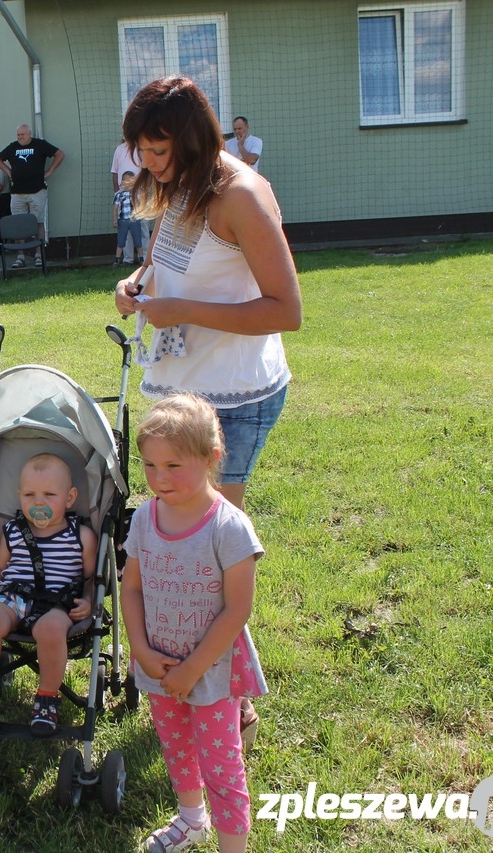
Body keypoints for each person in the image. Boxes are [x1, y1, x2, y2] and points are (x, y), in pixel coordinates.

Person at [113, 75, 300, 750]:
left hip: (234, 398)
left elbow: (288, 309)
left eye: (157, 151)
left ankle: (228, 691)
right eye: (140, 151)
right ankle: (195, 675)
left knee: (210, 552)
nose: (147, 165)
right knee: (177, 545)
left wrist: (182, 308)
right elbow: (169, 262)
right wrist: (138, 282)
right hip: (182, 387)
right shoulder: (182, 186)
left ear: (189, 138)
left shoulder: (241, 195)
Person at [120, 393, 267, 853]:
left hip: (212, 672)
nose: (159, 479)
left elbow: (237, 611)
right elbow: (132, 588)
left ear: (211, 458)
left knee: (222, 767)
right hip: (159, 665)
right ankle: (191, 820)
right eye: (149, 466)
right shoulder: (144, 519)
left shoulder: (229, 527)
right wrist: (141, 650)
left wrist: (192, 670)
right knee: (176, 748)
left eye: (174, 466)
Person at [0, 454, 97, 736]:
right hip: (13, 597)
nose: (38, 502)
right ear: (19, 496)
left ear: (70, 497)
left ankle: (47, 698)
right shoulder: (13, 531)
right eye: (29, 494)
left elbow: (90, 577)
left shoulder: (81, 536)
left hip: (56, 604)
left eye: (49, 494)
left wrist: (89, 599)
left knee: (51, 629)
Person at [0, 124, 63, 268]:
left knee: (38, 222)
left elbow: (60, 154)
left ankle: (38, 255)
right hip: (17, 193)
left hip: (37, 191)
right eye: (18, 135)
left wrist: (49, 171)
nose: (20, 137)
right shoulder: (12, 147)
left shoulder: (40, 145)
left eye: (22, 134)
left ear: (29, 134)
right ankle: (20, 256)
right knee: (19, 225)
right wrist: (9, 171)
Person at [111, 141, 145, 264]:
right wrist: (117, 191)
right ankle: (127, 258)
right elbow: (114, 171)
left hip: (140, 192)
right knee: (124, 235)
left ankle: (144, 258)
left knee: (142, 230)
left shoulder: (142, 147)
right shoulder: (119, 149)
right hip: (123, 199)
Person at [113, 171, 144, 268]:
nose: (127, 183)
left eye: (129, 181)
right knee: (121, 240)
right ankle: (117, 259)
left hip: (134, 220)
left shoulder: (136, 193)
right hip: (123, 220)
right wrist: (115, 220)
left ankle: (141, 258)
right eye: (125, 181)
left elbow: (140, 205)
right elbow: (115, 207)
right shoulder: (119, 194)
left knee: (138, 240)